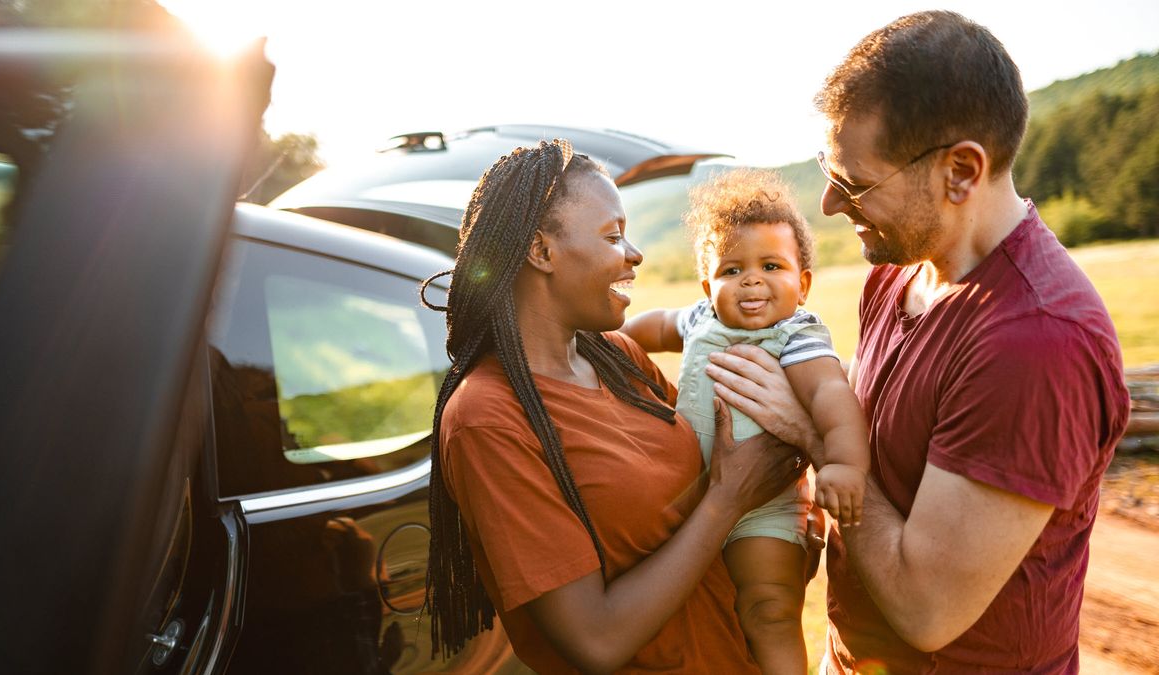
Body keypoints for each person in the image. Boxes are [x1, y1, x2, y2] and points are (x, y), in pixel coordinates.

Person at [705, 10, 1132, 673]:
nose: (829, 204)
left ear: (960, 171)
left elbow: (926, 609)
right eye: (828, 169)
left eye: (856, 182)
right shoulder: (900, 271)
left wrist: (811, 434)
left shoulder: (1036, 342)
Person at [420, 139, 808, 674]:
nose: (634, 254)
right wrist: (728, 500)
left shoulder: (618, 358)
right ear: (541, 252)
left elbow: (721, 467)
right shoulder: (487, 419)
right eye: (612, 236)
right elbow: (595, 641)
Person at [622, 168, 868, 672]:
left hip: (765, 506)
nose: (751, 280)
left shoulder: (795, 336)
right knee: (705, 608)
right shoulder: (700, 319)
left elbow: (831, 394)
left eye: (771, 265)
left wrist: (843, 464)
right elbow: (655, 325)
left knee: (768, 610)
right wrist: (607, 338)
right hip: (689, 495)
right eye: (731, 270)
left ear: (802, 284)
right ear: (707, 285)